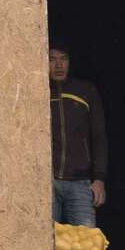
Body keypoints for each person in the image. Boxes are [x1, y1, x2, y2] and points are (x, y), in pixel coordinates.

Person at [49, 45, 109, 227]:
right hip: (46, 183)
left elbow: (98, 136)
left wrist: (99, 179)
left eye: (63, 59)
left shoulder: (85, 90)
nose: (58, 65)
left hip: (80, 182)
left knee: (86, 246)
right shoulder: (36, 91)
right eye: (52, 59)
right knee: (44, 247)